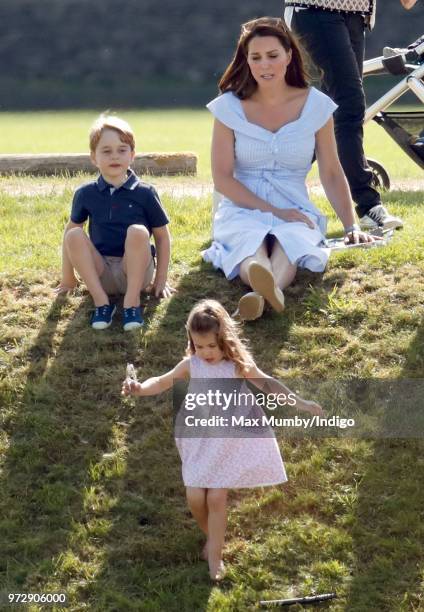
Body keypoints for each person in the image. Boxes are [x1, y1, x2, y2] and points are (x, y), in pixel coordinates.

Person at [121, 299, 324, 580]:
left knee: (216, 497)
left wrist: (300, 402)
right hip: (199, 439)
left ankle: (215, 556)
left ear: (224, 340)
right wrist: (139, 387)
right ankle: (214, 536)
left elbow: (268, 383)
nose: (205, 352)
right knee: (195, 498)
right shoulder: (190, 365)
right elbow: (161, 382)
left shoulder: (237, 365)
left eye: (211, 346)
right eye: (199, 346)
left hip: (228, 439)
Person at [203, 17, 374, 322]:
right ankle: (264, 291)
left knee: (290, 241)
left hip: (294, 206)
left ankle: (260, 296)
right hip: (242, 205)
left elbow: (332, 173)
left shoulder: (317, 106)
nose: (264, 65)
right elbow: (223, 179)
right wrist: (271, 210)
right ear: (246, 60)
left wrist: (352, 227)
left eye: (272, 55)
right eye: (255, 57)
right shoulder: (228, 107)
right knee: (248, 244)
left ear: (288, 56)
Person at [285, 0, 418, 230]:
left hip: (355, 15)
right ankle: (368, 206)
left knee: (329, 112)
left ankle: (272, 183)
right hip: (317, 9)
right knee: (350, 104)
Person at [55, 114, 173, 331]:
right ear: (93, 157)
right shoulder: (85, 193)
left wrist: (161, 279)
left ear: (132, 155)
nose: (114, 157)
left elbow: (163, 237)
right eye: (106, 151)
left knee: (138, 231)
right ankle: (102, 303)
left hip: (136, 272)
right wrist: (68, 277)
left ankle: (131, 304)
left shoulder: (145, 193)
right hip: (101, 274)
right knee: (72, 234)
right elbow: (70, 238)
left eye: (122, 150)